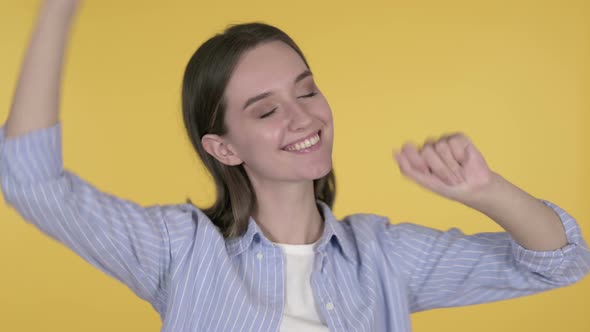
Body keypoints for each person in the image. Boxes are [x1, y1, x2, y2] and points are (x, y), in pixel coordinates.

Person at [1, 1, 589, 331]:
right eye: (266, 110)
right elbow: (30, 181)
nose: (303, 118)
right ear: (225, 148)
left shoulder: (383, 256)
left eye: (306, 91)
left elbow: (560, 264)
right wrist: (59, 8)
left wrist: (486, 190)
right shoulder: (178, 251)